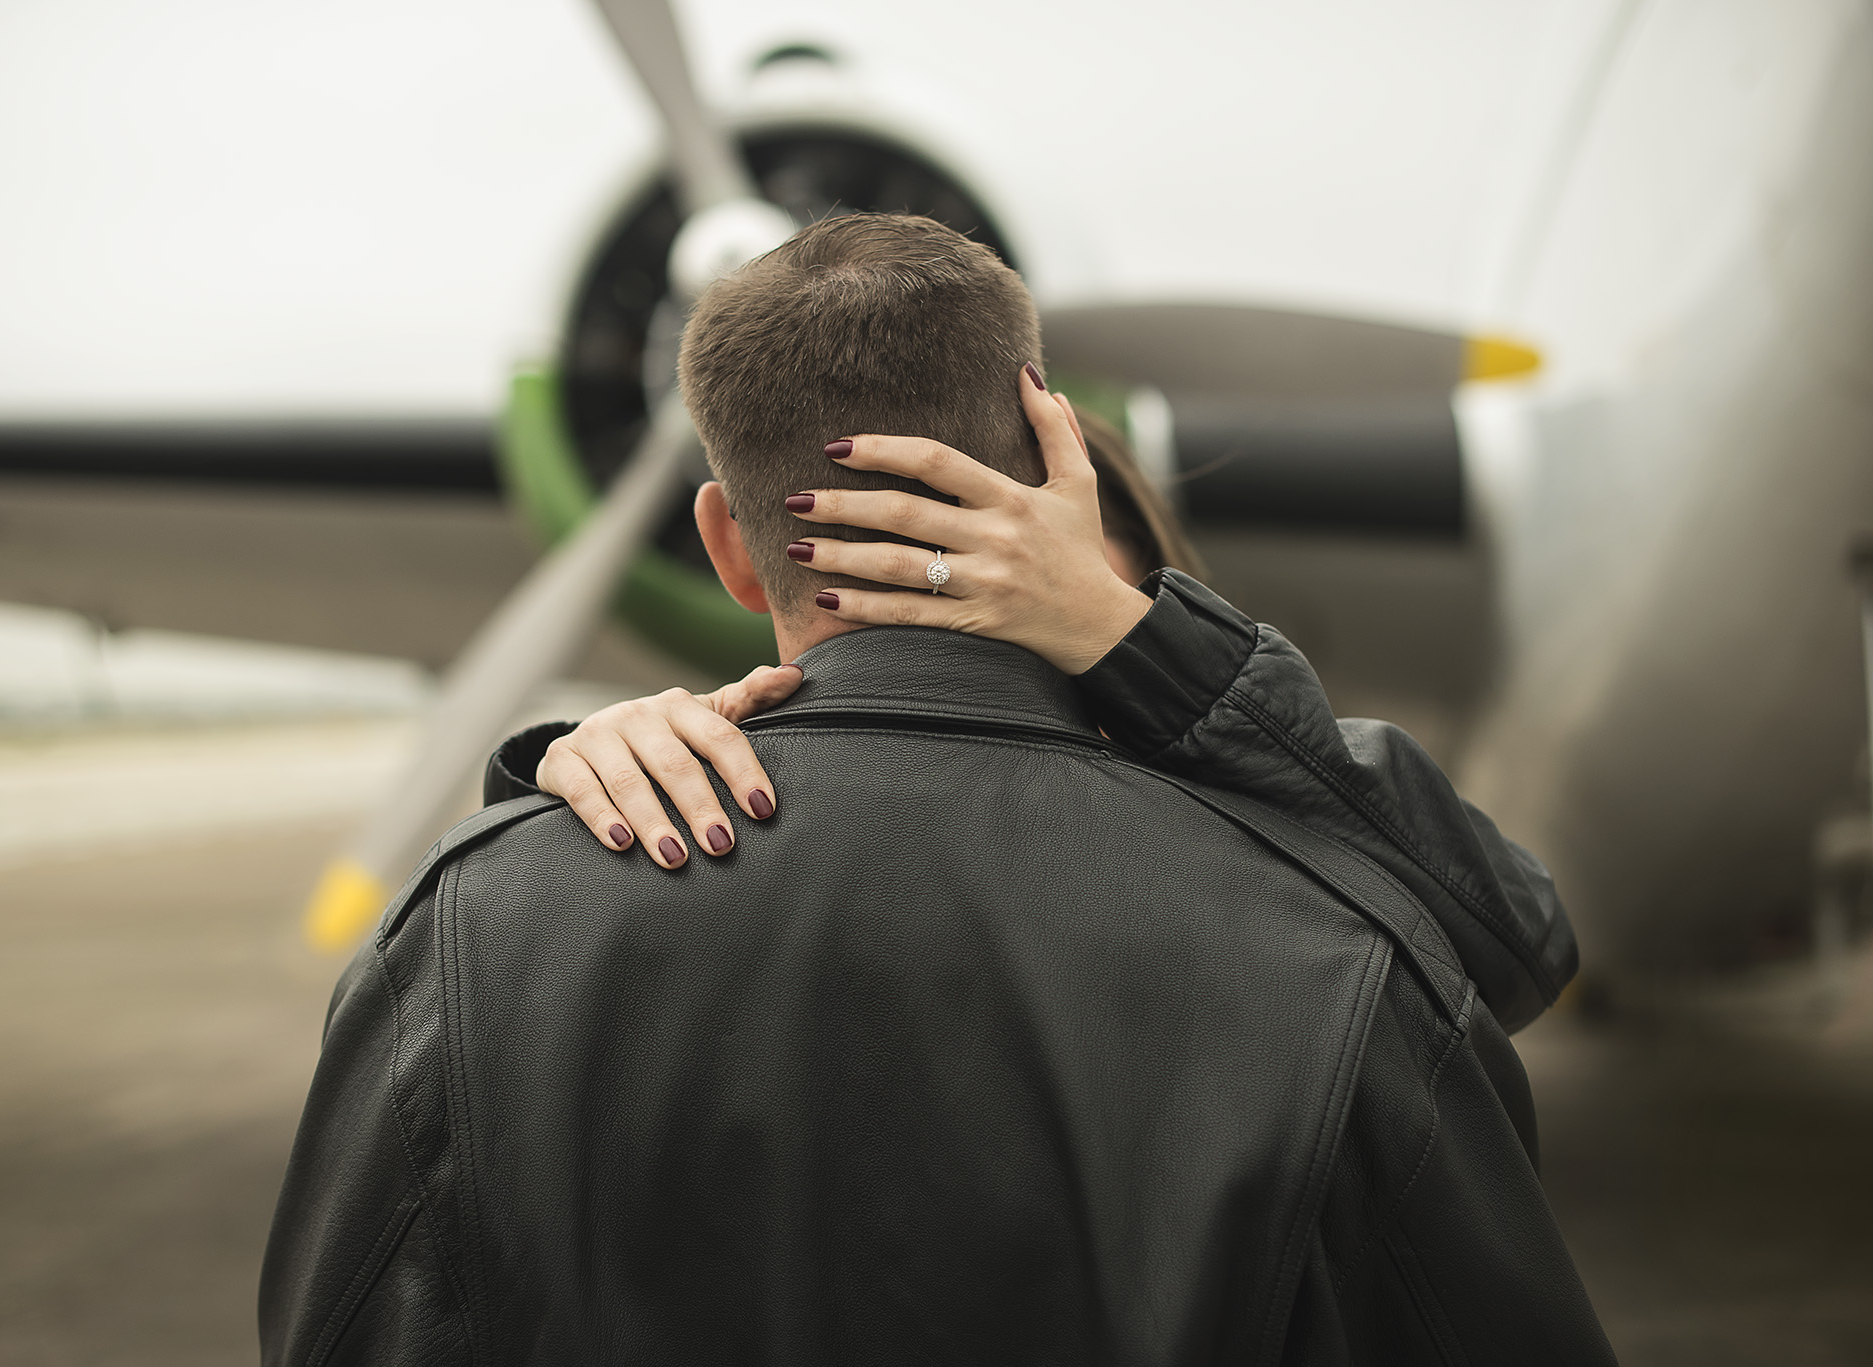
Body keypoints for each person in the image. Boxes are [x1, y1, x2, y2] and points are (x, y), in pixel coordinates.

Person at [262, 213, 1613, 1364]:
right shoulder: (1348, 956)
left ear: (729, 547)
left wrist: (520, 849)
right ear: (1054, 486)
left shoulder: (466, 940)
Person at [486, 410, 1571, 1036]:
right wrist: (566, 787)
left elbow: (1517, 945)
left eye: (1069, 621)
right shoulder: (724, 806)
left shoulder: (1281, 897)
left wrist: (1149, 649)